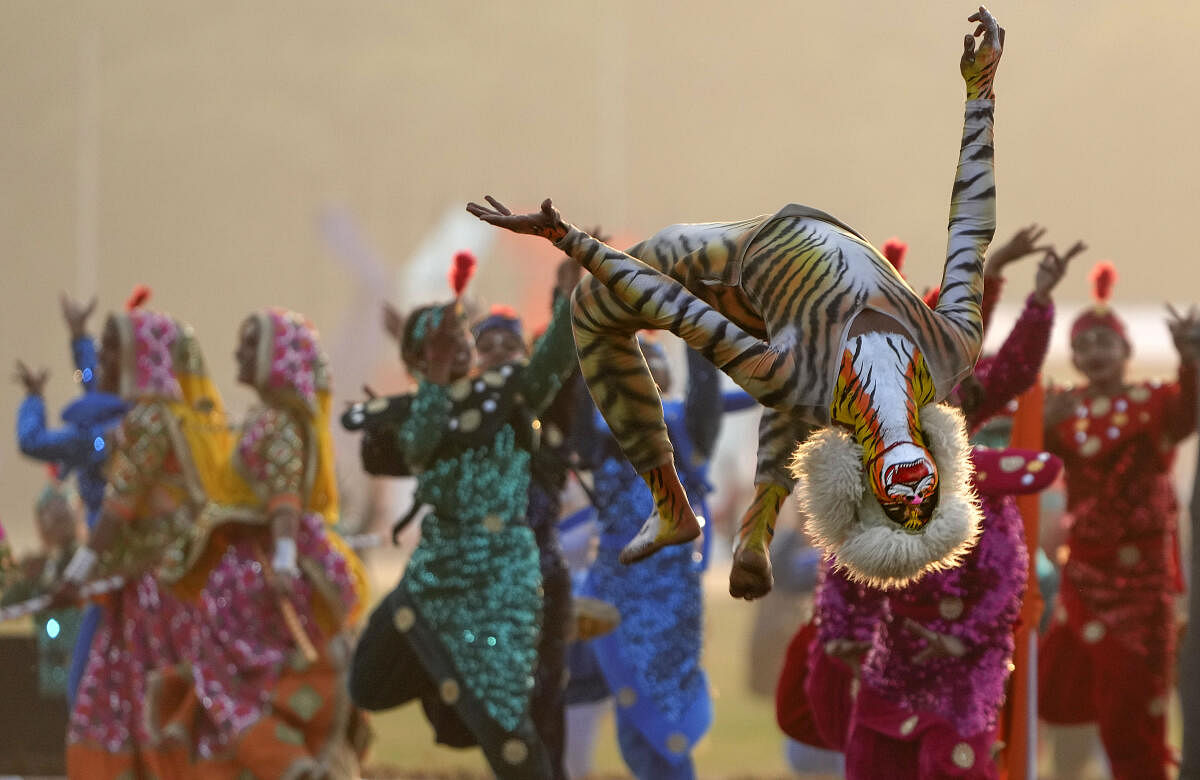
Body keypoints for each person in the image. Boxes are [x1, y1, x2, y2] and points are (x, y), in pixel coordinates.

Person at [467, 7, 1006, 594]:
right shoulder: (950, 348)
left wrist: (568, 241)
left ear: (864, 495)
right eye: (923, 510)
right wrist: (981, 93)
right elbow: (971, 233)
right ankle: (752, 533)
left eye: (895, 511)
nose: (909, 498)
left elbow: (676, 307)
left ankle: (671, 504)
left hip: (739, 261)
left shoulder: (797, 380)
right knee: (799, 394)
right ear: (941, 481)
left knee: (592, 311)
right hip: (812, 256)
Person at [782, 237, 1077, 778]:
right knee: (874, 762)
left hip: (963, 658)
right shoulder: (858, 416)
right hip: (894, 655)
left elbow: (1008, 368)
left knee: (953, 766)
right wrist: (844, 632)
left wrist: (1024, 294)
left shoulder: (955, 407)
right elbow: (843, 551)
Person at [346, 251, 580, 778]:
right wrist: (430, 377)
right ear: (419, 358)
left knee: (506, 723)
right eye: (441, 343)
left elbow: (552, 364)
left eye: (459, 340)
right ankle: (449, 678)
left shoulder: (507, 395)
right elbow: (423, 447)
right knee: (366, 681)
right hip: (437, 570)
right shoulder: (414, 414)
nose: (458, 349)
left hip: (501, 576)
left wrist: (568, 297)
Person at [154, 307, 368, 778]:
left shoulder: (276, 424)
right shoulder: (268, 419)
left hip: (261, 579)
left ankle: (290, 763)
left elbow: (284, 498)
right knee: (242, 687)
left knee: (238, 689)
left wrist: (286, 561)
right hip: (256, 573)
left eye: (250, 344)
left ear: (279, 357)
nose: (237, 352)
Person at [1039, 262, 1200, 780]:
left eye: (1105, 343)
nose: (1093, 355)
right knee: (1051, 691)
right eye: (1083, 346)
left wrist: (1191, 361)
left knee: (1134, 713)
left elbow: (1188, 414)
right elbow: (1021, 449)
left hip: (1141, 584)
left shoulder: (1154, 402)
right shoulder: (1060, 410)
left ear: (1127, 351)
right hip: (1083, 573)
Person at [48, 305, 221, 779]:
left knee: (125, 702)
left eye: (109, 348)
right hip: (132, 583)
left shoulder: (146, 421)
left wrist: (73, 576)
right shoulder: (147, 417)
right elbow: (91, 382)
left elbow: (117, 511)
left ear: (138, 357)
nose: (100, 359)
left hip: (154, 595)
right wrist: (79, 339)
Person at [567, 337, 743, 780]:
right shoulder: (596, 434)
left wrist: (693, 318)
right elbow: (574, 384)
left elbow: (704, 388)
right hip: (608, 594)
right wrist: (573, 317)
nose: (639, 372)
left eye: (651, 365)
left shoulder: (685, 429)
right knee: (574, 695)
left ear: (666, 381)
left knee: (655, 729)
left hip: (666, 604)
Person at [15, 292, 129, 700]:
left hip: (102, 557)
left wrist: (32, 400)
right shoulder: (134, 417)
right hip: (139, 560)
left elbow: (32, 442)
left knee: (85, 685)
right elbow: (94, 385)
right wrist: (79, 338)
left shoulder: (93, 437)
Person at [0, 475, 85, 699]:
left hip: (86, 674)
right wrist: (24, 578)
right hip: (50, 679)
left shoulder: (87, 561)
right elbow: (8, 604)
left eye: (61, 516)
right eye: (49, 517)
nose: (55, 524)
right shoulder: (39, 568)